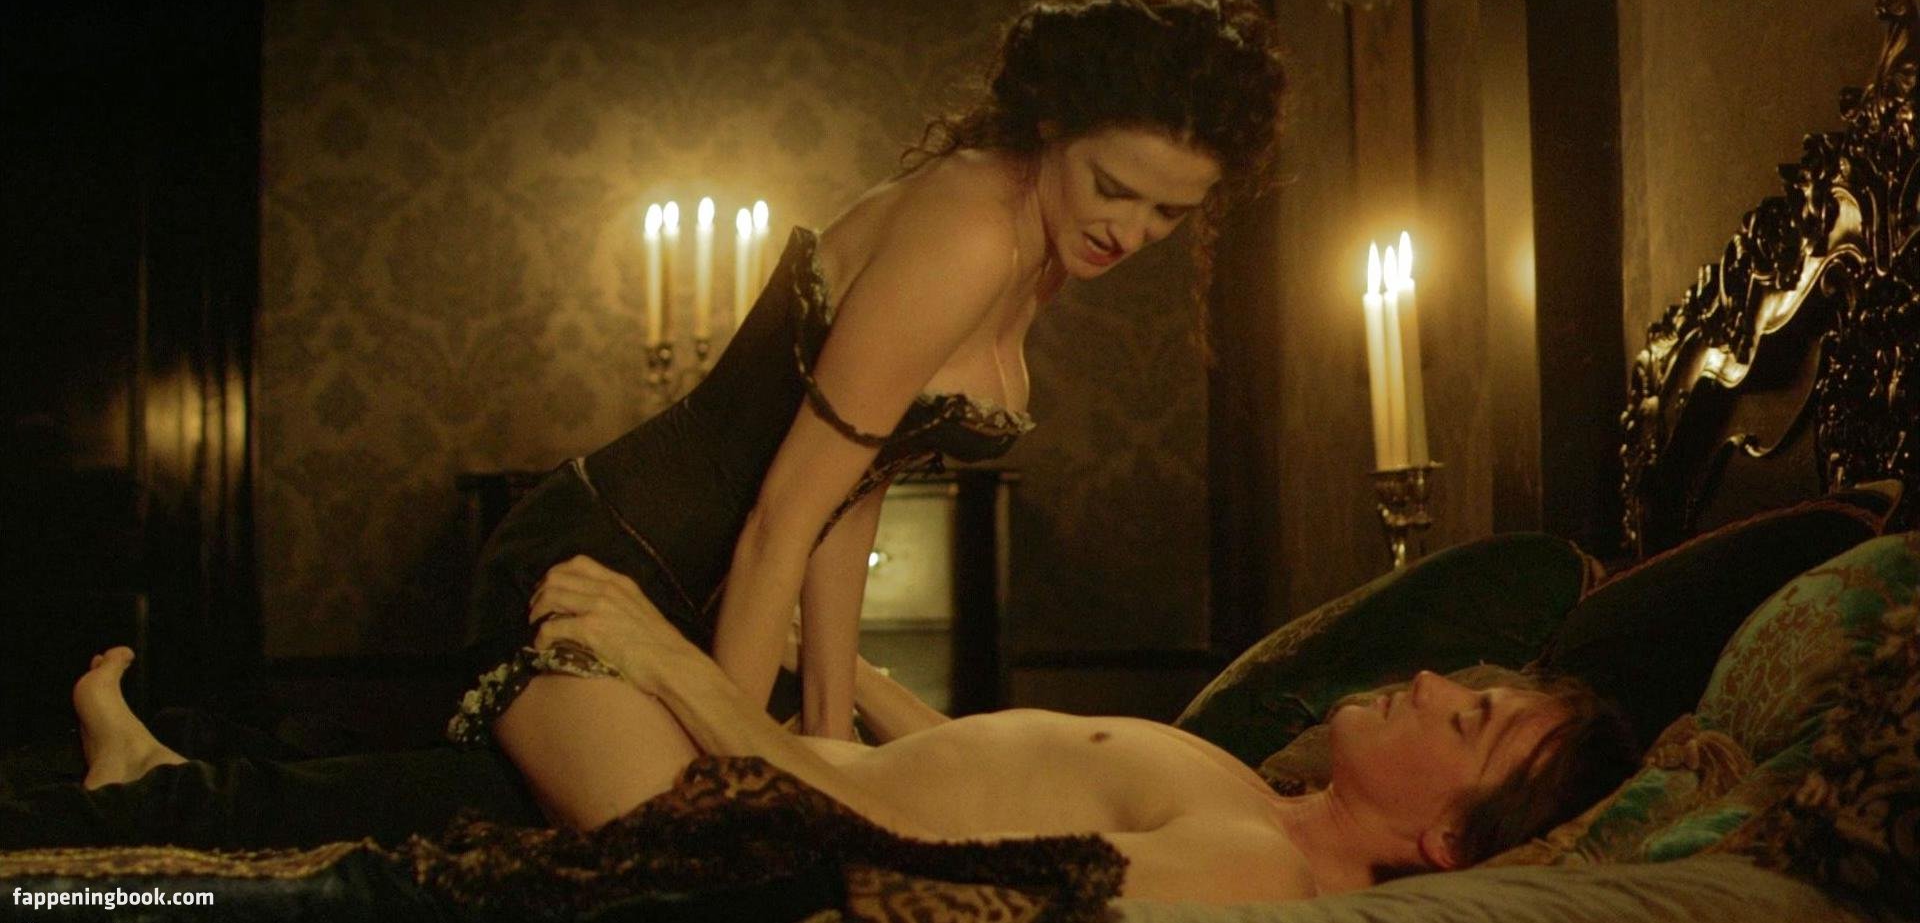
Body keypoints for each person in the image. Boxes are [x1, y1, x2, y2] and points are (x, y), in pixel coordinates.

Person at [453, 0, 1288, 769]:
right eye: (1112, 186)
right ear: (1051, 123)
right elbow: (783, 516)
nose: (1131, 231)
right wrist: (736, 767)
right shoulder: (971, 234)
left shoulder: (1041, 246)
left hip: (724, 598)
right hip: (599, 564)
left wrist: (829, 724)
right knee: (702, 834)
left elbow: (852, 496)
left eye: (1168, 211)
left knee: (818, 805)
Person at [56, 555, 1637, 904]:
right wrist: (861, 678)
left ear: (1448, 837)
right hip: (768, 769)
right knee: (491, 770)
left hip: (748, 817)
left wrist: (676, 660)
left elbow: (925, 858)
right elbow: (987, 772)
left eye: (1473, 714)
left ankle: (151, 820)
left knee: (571, 678)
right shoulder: (1247, 798)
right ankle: (166, 787)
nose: (1435, 679)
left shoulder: (1254, 874)